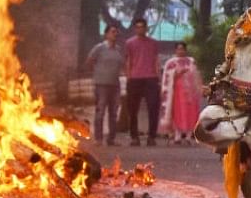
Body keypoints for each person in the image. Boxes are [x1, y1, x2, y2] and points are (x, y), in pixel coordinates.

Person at [123, 17, 161, 146]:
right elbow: (128, 61)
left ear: (146, 28)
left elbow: (156, 60)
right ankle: (134, 137)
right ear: (135, 29)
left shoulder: (153, 43)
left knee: (153, 108)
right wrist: (128, 77)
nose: (140, 29)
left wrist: (158, 77)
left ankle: (151, 136)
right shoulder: (129, 43)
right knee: (133, 109)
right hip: (135, 79)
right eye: (137, 27)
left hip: (151, 78)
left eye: (142, 27)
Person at [85, 24, 125, 145]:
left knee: (113, 113)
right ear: (106, 34)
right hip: (101, 84)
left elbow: (121, 64)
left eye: (116, 32)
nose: (115, 34)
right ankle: (98, 138)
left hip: (115, 84)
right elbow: (90, 61)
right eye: (113, 32)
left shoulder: (118, 49)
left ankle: (111, 139)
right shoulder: (100, 48)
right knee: (100, 111)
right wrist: (97, 73)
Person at [160, 42, 202, 144]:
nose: (181, 51)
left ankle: (188, 136)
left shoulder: (191, 61)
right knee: (177, 113)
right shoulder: (171, 62)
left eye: (182, 49)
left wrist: (198, 89)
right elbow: (166, 78)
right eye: (178, 49)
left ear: (185, 50)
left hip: (190, 93)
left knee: (191, 113)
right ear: (175, 50)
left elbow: (196, 75)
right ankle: (177, 136)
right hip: (177, 93)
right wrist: (177, 73)